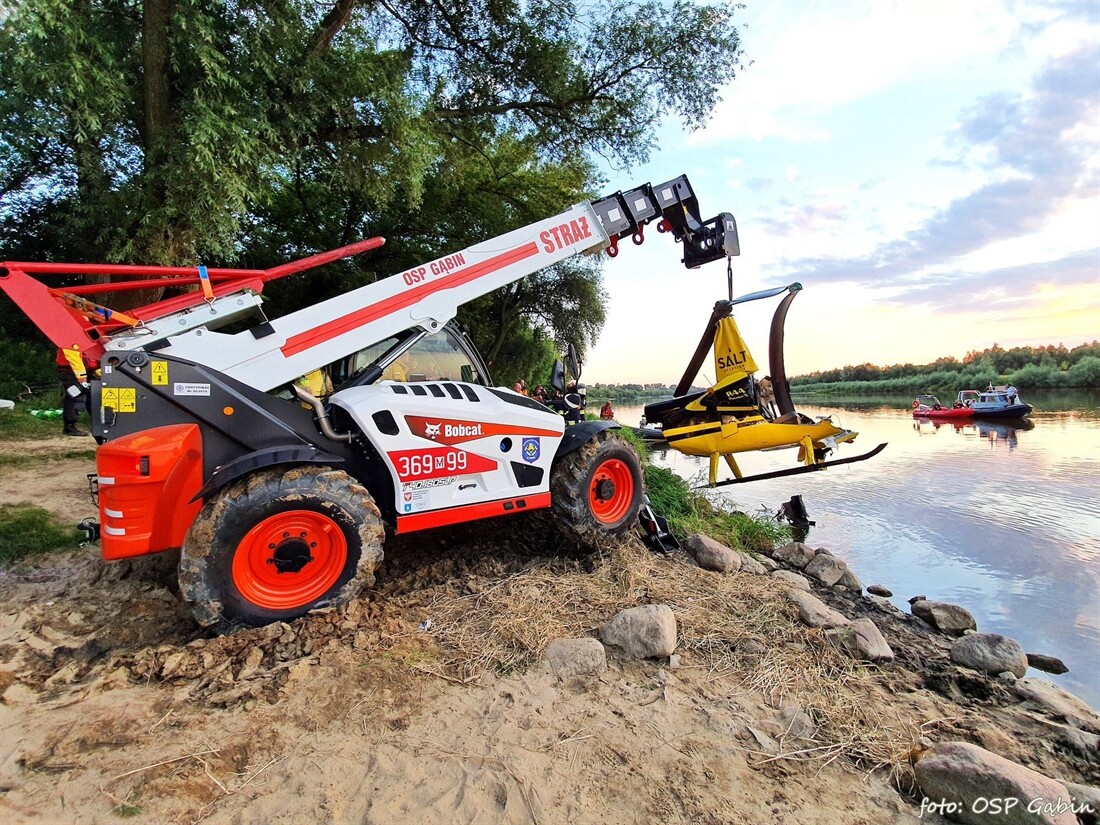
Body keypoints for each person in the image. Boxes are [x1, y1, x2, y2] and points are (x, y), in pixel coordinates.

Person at [57, 347, 94, 437]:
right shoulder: (69, 341)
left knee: (91, 397)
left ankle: (96, 425)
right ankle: (69, 427)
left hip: (80, 370)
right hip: (70, 371)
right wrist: (82, 377)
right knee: (74, 397)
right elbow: (73, 358)